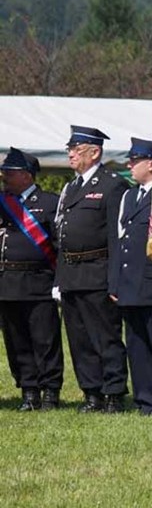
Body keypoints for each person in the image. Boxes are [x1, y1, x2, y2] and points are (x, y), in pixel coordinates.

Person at [55, 125, 129, 413]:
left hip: (98, 270)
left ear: (95, 152)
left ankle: (113, 393)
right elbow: (61, 236)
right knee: (79, 339)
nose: (70, 154)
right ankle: (91, 392)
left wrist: (114, 281)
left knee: (105, 336)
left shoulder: (111, 185)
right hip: (72, 274)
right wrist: (59, 279)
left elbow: (116, 237)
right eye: (70, 149)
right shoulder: (70, 187)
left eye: (76, 149)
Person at [109, 138, 152, 415]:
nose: (130, 165)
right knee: (137, 347)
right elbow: (119, 241)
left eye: (135, 160)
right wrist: (114, 281)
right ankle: (146, 401)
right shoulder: (129, 196)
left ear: (151, 164)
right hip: (129, 283)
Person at [0, 148, 63, 410]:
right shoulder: (3, 201)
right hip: (7, 282)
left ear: (26, 176)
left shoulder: (49, 202)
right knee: (16, 341)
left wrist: (60, 282)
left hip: (38, 282)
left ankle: (50, 391)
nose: (3, 176)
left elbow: (60, 245)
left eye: (9, 172)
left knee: (44, 339)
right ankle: (28, 390)